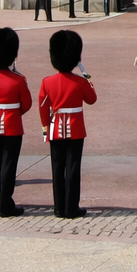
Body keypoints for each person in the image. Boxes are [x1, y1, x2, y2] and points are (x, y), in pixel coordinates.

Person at [40, 29, 97, 219]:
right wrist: (89, 82)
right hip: (75, 129)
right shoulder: (80, 82)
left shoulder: (47, 82)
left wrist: (45, 127)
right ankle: (71, 207)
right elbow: (92, 99)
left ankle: (59, 207)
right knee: (73, 168)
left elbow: (43, 106)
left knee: (57, 168)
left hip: (55, 128)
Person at [0, 28, 32, 217]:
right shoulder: (18, 80)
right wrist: (14, 113)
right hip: (12, 125)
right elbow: (26, 104)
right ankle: (5, 203)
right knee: (9, 165)